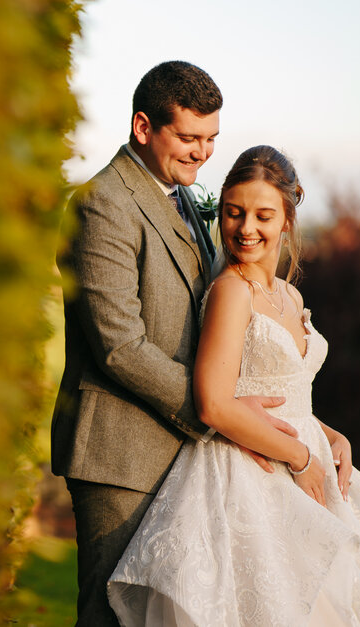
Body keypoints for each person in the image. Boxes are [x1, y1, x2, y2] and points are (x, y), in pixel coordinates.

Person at [107, 145, 360, 626]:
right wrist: (301, 457)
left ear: (287, 218)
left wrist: (328, 437)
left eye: (263, 215)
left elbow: (286, 390)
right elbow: (214, 404)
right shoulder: (231, 292)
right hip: (252, 477)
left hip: (306, 465)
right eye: (233, 213)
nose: (246, 228)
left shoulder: (289, 294)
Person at [51, 61, 294, 626]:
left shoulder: (182, 197)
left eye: (211, 139)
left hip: (189, 456)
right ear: (143, 127)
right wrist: (221, 412)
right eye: (188, 138)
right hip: (121, 457)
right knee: (113, 614)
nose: (202, 154)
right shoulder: (101, 204)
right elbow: (119, 346)